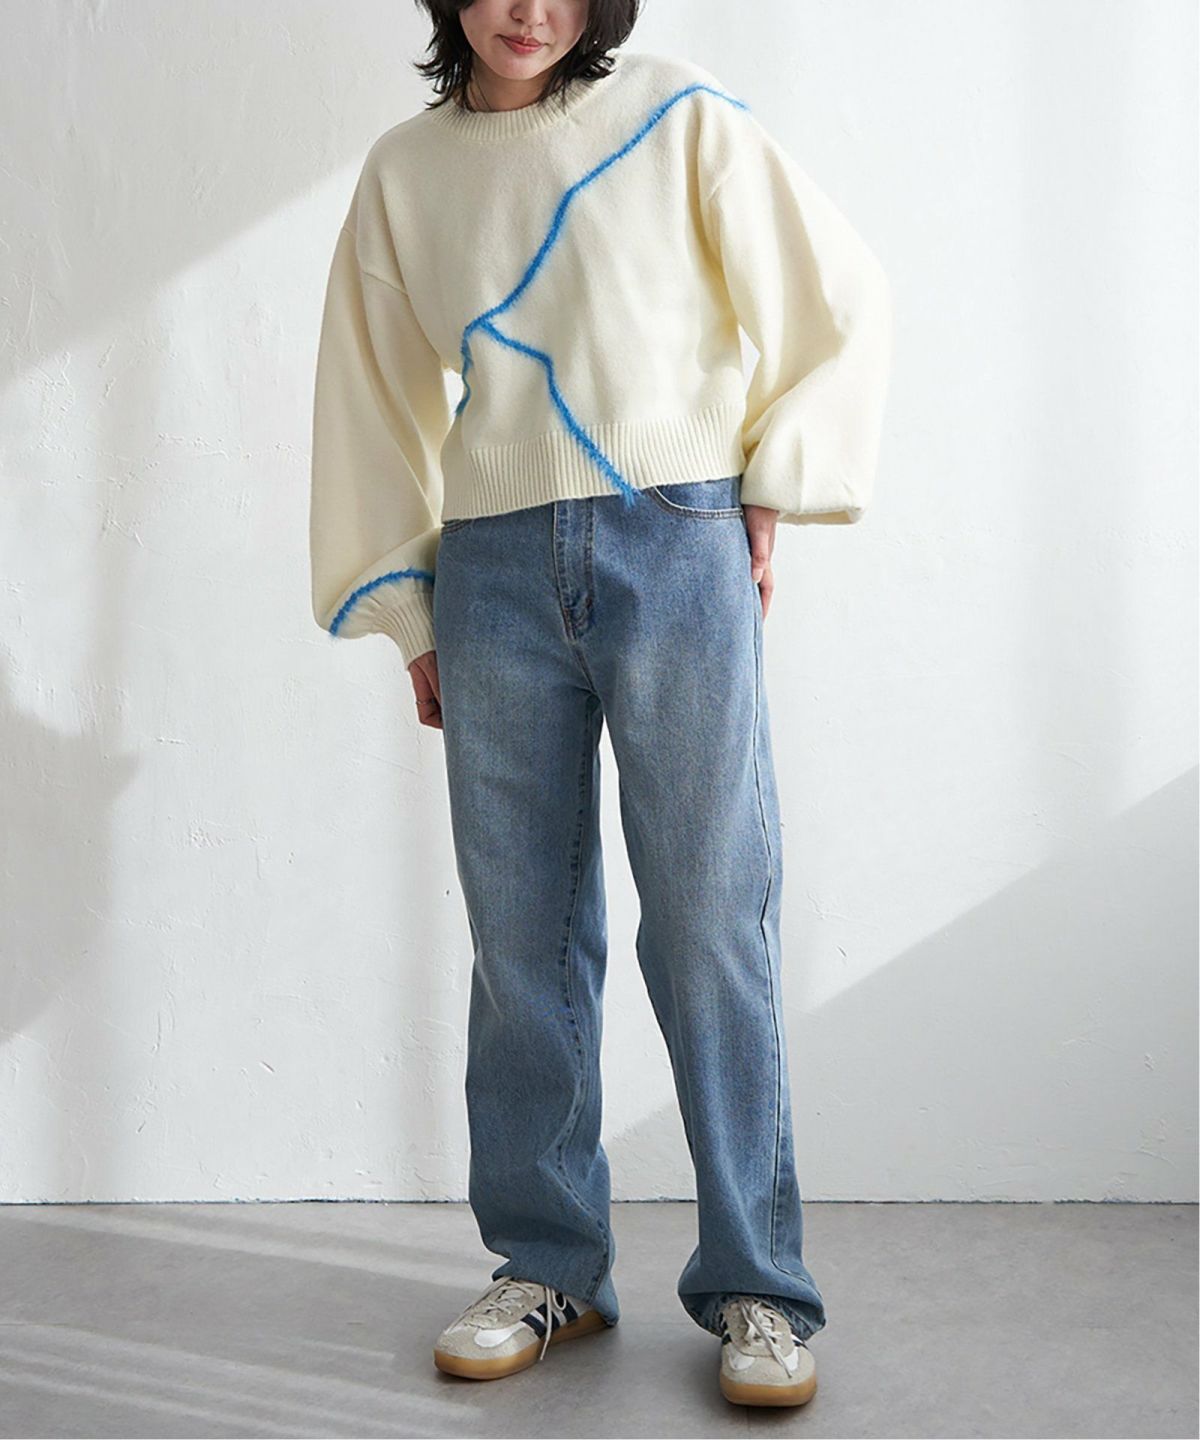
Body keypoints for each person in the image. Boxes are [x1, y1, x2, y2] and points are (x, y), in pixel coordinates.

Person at [308, 0, 892, 1410]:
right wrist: (410, 610)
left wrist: (768, 486)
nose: (529, 10)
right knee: (521, 935)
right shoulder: (404, 171)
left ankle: (759, 1286)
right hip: (492, 570)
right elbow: (368, 394)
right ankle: (548, 1263)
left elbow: (838, 294)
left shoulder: (675, 112)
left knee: (709, 921)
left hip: (674, 538)